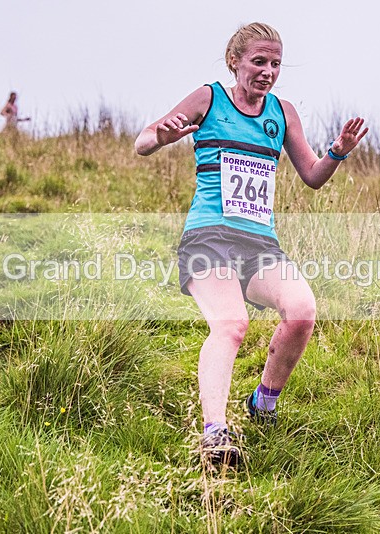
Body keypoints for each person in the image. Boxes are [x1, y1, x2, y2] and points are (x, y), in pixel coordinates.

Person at [134, 22, 367, 469]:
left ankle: (263, 401)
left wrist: (337, 151)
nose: (268, 71)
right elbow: (142, 141)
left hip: (260, 245)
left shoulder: (284, 113)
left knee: (301, 312)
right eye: (258, 61)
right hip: (209, 238)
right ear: (235, 62)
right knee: (231, 324)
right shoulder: (209, 98)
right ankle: (214, 433)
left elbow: (313, 177)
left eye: (275, 63)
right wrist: (161, 137)